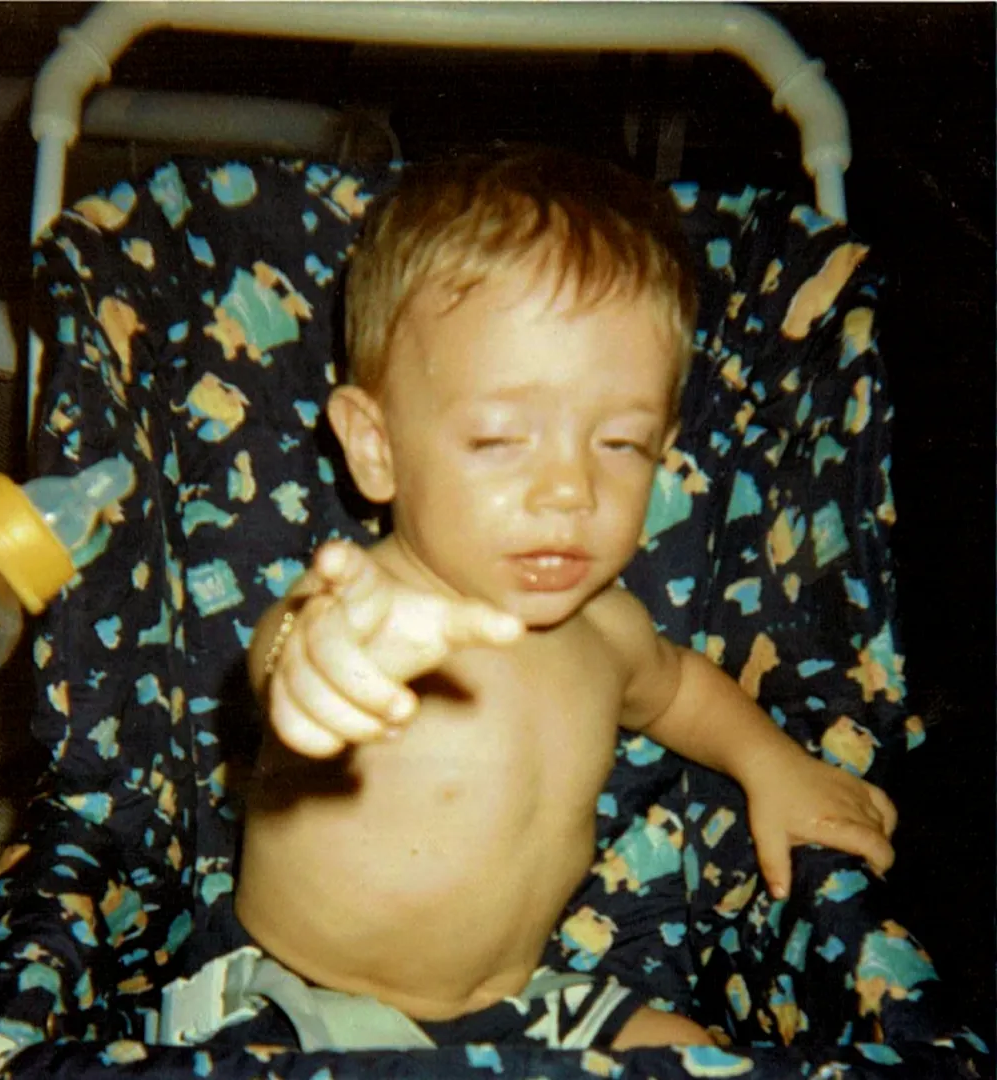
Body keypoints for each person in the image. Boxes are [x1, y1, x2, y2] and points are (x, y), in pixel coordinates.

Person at [232, 147, 897, 1052]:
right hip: (305, 1010)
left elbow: (678, 690)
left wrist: (771, 762)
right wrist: (315, 669)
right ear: (377, 447)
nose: (569, 491)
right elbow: (288, 648)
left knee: (699, 1056)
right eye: (501, 438)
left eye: (620, 444)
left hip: (527, 1002)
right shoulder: (372, 607)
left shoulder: (609, 629)